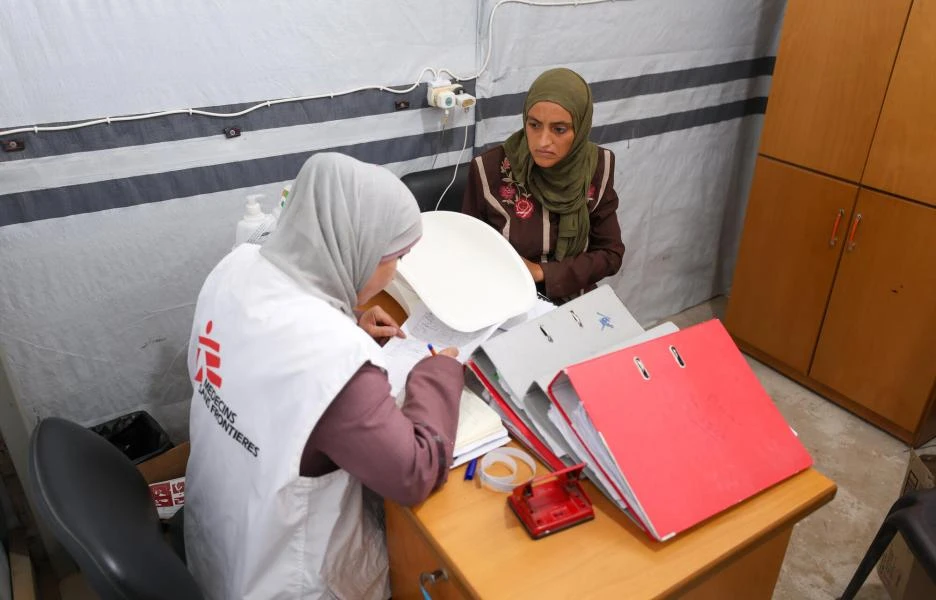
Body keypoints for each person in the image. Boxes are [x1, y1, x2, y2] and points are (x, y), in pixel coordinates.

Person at [183, 153, 464, 600]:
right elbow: (413, 473)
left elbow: (265, 362)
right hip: (282, 577)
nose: (395, 273)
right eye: (395, 258)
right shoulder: (332, 355)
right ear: (355, 243)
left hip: (216, 541)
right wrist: (438, 373)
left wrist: (344, 322)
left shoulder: (235, 268)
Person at [462, 68, 625, 303]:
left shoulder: (596, 167)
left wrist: (542, 272)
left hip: (575, 298)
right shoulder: (489, 170)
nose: (542, 142)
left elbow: (610, 254)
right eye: (534, 125)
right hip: (507, 300)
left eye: (559, 129)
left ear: (580, 129)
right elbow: (470, 249)